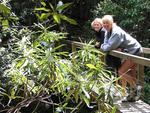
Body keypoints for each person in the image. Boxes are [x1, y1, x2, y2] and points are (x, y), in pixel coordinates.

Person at [101, 15, 143, 102]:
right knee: (131, 73)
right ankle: (133, 96)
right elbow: (106, 44)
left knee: (121, 72)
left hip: (134, 50)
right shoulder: (107, 31)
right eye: (104, 23)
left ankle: (137, 88)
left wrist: (105, 46)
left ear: (112, 23)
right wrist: (107, 46)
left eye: (107, 23)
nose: (105, 25)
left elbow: (106, 47)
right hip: (131, 51)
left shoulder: (116, 32)